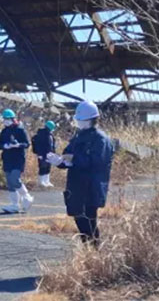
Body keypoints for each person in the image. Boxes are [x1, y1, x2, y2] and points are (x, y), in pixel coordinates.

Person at [46, 100, 114, 246]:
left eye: (80, 120)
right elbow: (68, 153)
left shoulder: (101, 139)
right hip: (77, 184)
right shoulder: (79, 136)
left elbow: (97, 162)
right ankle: (89, 250)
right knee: (79, 218)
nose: (78, 122)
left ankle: (95, 252)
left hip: (91, 186)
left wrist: (73, 160)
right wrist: (60, 161)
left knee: (89, 220)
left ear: (90, 120)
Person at [0, 109, 33, 214]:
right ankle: (14, 204)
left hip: (18, 159)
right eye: (4, 119)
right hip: (7, 158)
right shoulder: (4, 131)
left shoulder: (20, 130)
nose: (5, 121)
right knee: (9, 182)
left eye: (8, 119)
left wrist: (18, 145)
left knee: (14, 178)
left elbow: (27, 144)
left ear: (13, 119)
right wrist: (5, 146)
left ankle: (26, 196)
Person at [32, 120, 57, 187]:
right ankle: (41, 181)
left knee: (48, 167)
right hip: (42, 154)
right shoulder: (42, 134)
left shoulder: (50, 134)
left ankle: (47, 181)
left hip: (49, 153)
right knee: (42, 167)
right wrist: (39, 153)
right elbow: (39, 145)